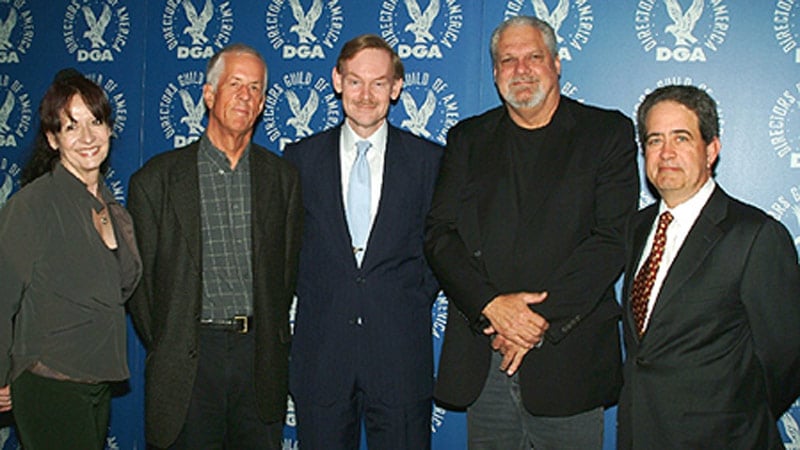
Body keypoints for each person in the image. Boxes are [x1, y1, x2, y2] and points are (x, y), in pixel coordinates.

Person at [424, 16, 639, 448]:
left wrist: (532, 322)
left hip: (568, 362)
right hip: (485, 359)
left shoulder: (606, 133)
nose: (520, 70)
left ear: (556, 64)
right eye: (508, 60)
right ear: (495, 72)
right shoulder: (467, 139)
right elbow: (439, 234)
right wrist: (490, 306)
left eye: (533, 57)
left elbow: (611, 240)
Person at [127, 43, 302, 449]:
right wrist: (173, 338)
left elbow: (286, 275)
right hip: (188, 363)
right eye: (235, 84)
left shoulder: (283, 180)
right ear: (209, 94)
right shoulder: (155, 181)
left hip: (258, 362)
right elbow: (141, 290)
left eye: (255, 88)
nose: (245, 96)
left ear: (262, 104)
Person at [618, 84, 800, 449]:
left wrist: (737, 419)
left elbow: (786, 359)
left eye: (681, 138)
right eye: (654, 140)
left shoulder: (755, 235)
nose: (666, 153)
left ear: (711, 150)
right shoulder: (637, 228)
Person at [283, 34, 442, 449]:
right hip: (322, 359)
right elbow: (286, 253)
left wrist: (401, 299)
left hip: (400, 357)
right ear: (337, 81)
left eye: (378, 82)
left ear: (396, 87)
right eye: (355, 81)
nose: (366, 95)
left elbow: (438, 253)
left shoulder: (428, 162)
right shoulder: (299, 160)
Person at [0, 68, 142, 449]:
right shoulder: (33, 205)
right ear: (52, 139)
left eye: (95, 121)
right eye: (70, 126)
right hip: (48, 384)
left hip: (95, 383)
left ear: (109, 128)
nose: (87, 137)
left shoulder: (112, 209)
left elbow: (119, 289)